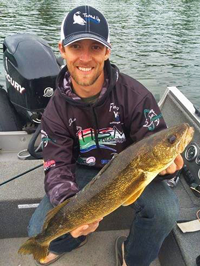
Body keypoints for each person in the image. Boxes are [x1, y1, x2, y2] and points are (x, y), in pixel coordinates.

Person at [28, 5, 183, 266]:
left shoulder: (136, 97)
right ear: (62, 49)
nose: (85, 58)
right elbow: (56, 166)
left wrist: (171, 168)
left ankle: (132, 256)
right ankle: (74, 238)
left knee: (166, 211)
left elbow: (157, 145)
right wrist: (71, 208)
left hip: (131, 172)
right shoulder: (54, 110)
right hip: (81, 172)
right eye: (77, 47)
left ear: (107, 51)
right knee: (37, 232)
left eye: (95, 48)